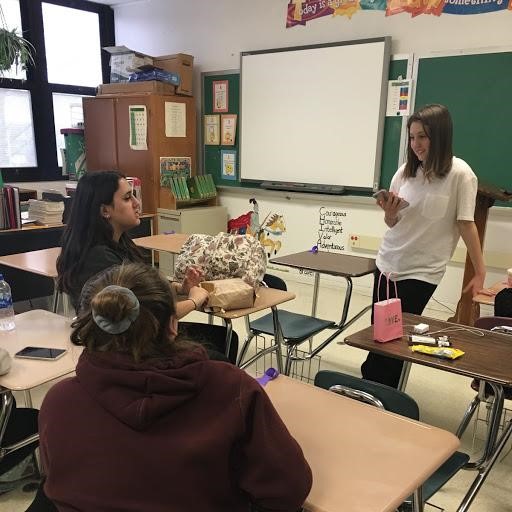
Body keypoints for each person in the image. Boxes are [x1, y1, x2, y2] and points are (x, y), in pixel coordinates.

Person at [38, 263, 312, 512]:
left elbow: (58, 485)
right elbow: (288, 490)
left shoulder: (58, 403)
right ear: (173, 324)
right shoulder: (231, 388)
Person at [361, 104, 486, 388]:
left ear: (440, 136)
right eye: (412, 137)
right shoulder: (405, 172)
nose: (416, 145)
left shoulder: (461, 174)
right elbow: (393, 223)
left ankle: (382, 393)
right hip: (387, 265)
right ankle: (370, 387)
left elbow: (467, 224)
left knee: (396, 337)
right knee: (379, 333)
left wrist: (480, 271)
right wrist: (389, 212)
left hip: (422, 272)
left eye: (423, 137)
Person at [56, 171, 238, 362]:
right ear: (105, 211)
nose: (137, 203)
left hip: (137, 336)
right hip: (126, 346)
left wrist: (180, 288)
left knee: (225, 338)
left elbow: (146, 291)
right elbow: (151, 313)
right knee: (218, 359)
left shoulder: (120, 244)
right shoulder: (100, 260)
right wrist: (194, 300)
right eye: (127, 198)